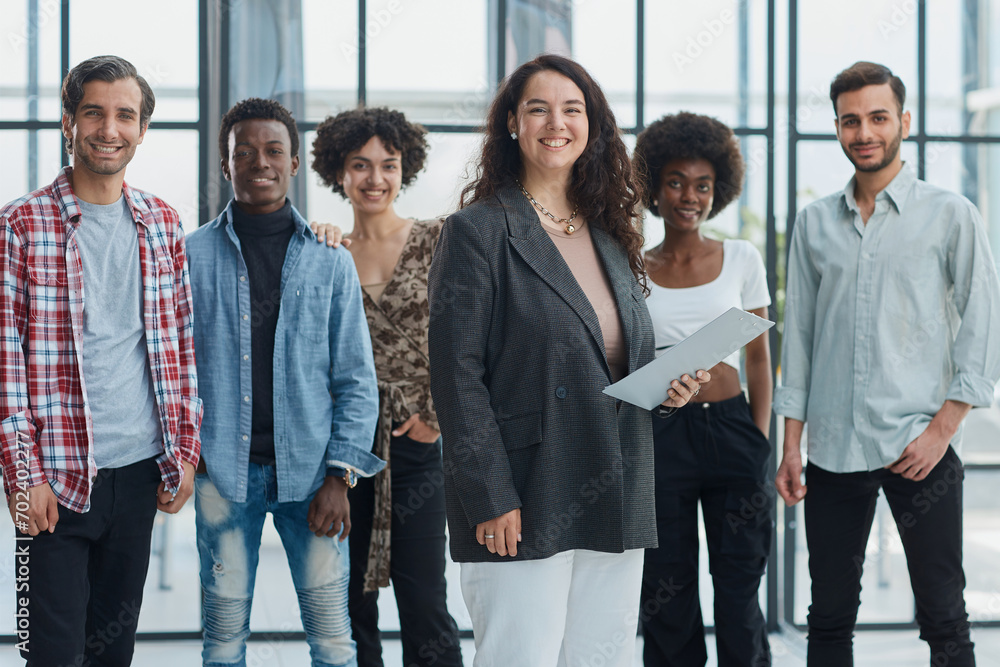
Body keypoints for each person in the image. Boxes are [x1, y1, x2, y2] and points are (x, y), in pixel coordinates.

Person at [427, 53, 709, 667]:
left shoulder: (610, 230)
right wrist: (489, 494)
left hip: (615, 479)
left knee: (600, 658)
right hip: (523, 493)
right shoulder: (476, 232)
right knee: (518, 658)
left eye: (572, 109)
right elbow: (456, 378)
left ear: (592, 125)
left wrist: (666, 383)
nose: (557, 123)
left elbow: (606, 358)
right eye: (538, 108)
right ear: (511, 123)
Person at [774, 61, 1000, 667]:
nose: (864, 132)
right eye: (851, 121)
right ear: (838, 129)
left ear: (903, 121)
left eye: (877, 117)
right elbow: (799, 335)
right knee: (828, 620)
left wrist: (943, 430)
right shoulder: (814, 223)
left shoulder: (950, 214)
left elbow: (984, 321)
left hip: (918, 444)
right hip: (833, 450)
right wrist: (791, 444)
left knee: (945, 617)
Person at [0, 55, 202, 666]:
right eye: (93, 112)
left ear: (142, 130)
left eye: (124, 115)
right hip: (52, 481)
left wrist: (185, 452)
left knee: (112, 654)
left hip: (138, 475)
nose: (108, 129)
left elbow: (180, 347)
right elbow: (4, 368)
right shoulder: (19, 226)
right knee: (49, 656)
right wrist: (22, 476)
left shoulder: (163, 223)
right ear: (69, 122)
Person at [187, 97, 382, 667]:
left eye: (274, 150)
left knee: (332, 642)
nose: (259, 162)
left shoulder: (330, 260)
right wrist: (191, 455)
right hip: (222, 474)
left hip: (315, 475)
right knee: (222, 645)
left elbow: (355, 378)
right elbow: (175, 369)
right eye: (242, 152)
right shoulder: (191, 257)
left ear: (294, 162)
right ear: (226, 165)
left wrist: (341, 477)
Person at [310, 107, 463, 667]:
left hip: (418, 447)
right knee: (349, 603)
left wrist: (436, 419)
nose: (376, 179)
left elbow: (472, 339)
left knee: (425, 598)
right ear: (338, 174)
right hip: (344, 451)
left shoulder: (440, 240)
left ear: (405, 171)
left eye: (389, 166)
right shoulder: (326, 252)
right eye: (360, 165)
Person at [634, 112, 772, 667]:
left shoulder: (742, 257)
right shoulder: (633, 267)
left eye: (702, 185)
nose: (688, 196)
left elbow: (759, 360)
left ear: (718, 192)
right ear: (655, 188)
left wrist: (758, 441)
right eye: (674, 181)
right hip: (662, 435)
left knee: (739, 589)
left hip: (732, 431)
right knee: (666, 591)